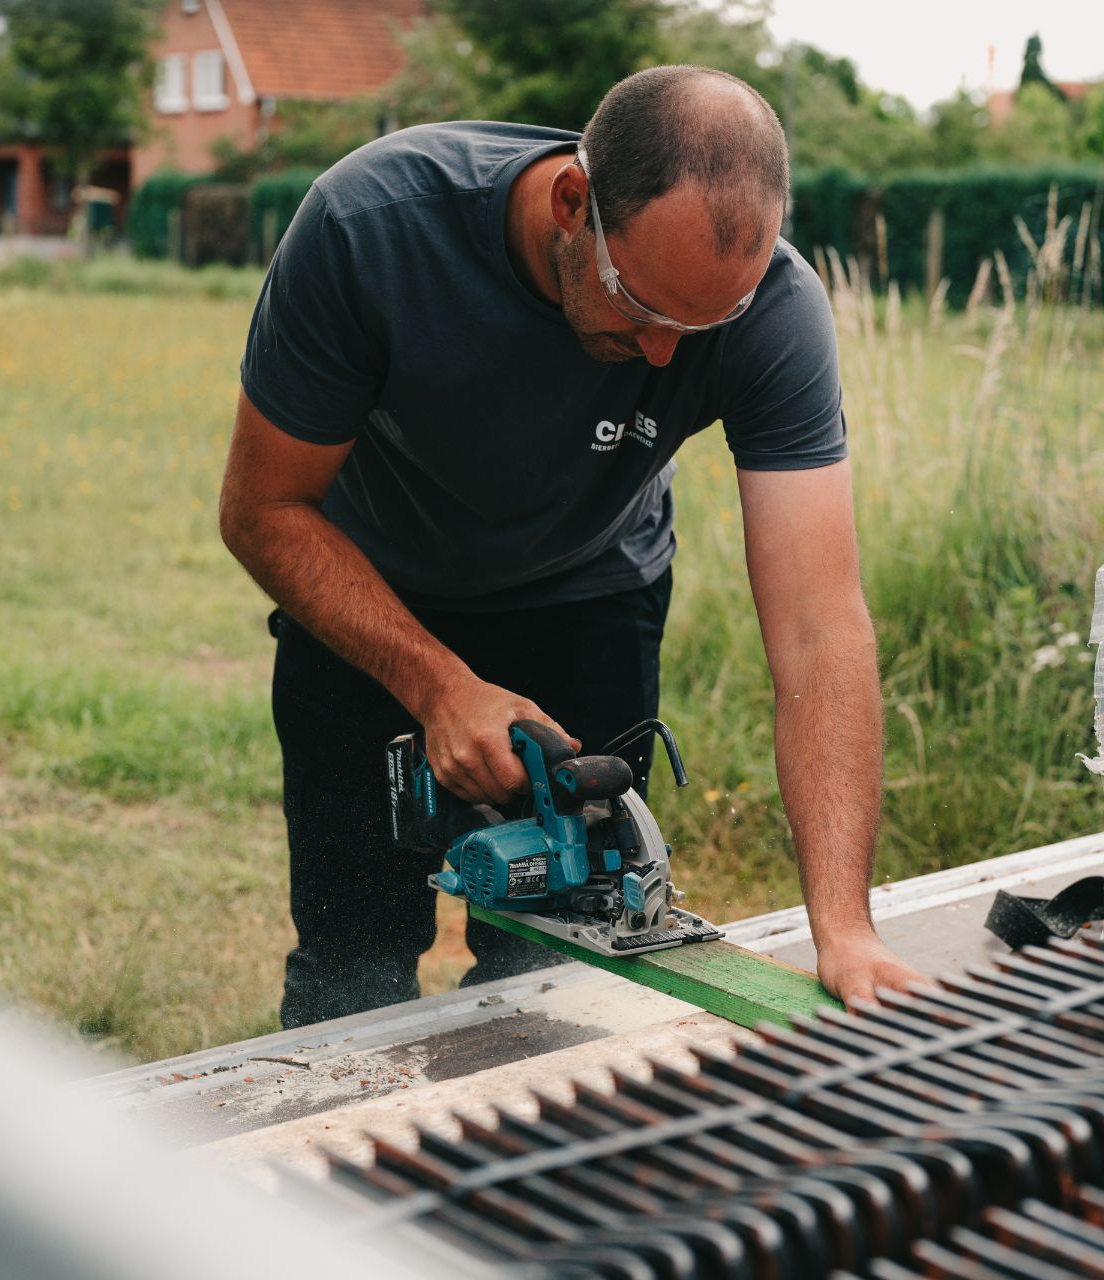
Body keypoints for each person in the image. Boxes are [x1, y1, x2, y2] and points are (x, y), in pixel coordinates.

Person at [219, 65, 929, 1030]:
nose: (667, 356)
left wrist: (842, 925)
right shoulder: (371, 227)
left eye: (704, 323)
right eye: (643, 308)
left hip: (589, 593)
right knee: (354, 959)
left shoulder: (772, 308)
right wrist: (437, 684)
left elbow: (818, 625)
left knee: (556, 980)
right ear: (571, 204)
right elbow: (263, 509)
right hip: (371, 591)